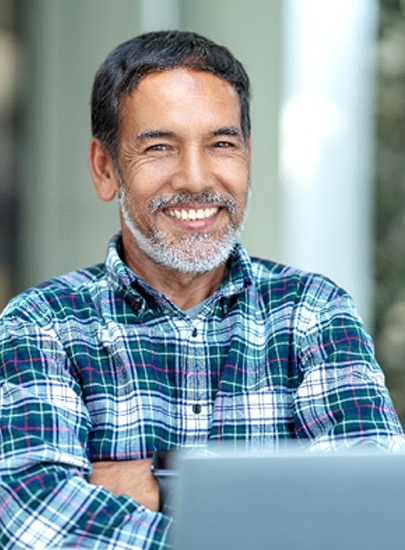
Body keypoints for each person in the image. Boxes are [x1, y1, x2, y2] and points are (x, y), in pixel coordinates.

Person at [0, 30, 403, 549]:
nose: (195, 177)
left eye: (221, 144)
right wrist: (276, 515)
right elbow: (34, 519)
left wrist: (159, 481)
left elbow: (372, 516)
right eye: (160, 147)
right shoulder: (42, 324)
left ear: (248, 158)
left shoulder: (313, 313)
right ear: (105, 168)